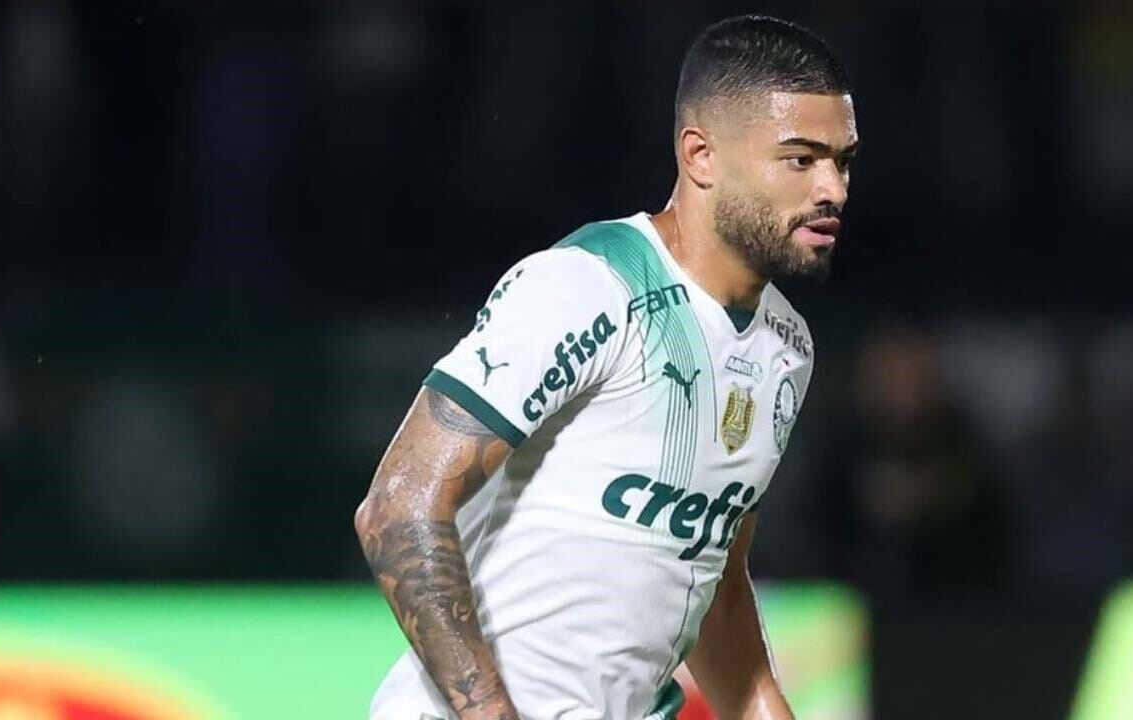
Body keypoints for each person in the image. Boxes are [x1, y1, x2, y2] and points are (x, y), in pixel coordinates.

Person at [354, 15, 859, 720]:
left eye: (843, 161)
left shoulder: (786, 347)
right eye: (801, 160)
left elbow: (713, 579)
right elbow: (399, 505)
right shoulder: (590, 286)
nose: (833, 188)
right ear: (701, 155)